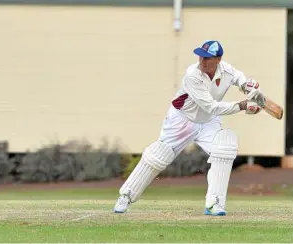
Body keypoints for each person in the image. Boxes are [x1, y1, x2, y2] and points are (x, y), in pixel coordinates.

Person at [113, 40, 265, 216]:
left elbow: (239, 78)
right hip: (182, 119)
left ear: (218, 59)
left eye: (207, 57)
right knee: (158, 155)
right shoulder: (192, 75)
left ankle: (214, 203)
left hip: (208, 121)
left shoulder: (227, 70)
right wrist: (243, 105)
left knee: (225, 148)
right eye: (201, 55)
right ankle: (126, 196)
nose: (202, 60)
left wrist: (248, 85)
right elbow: (211, 106)